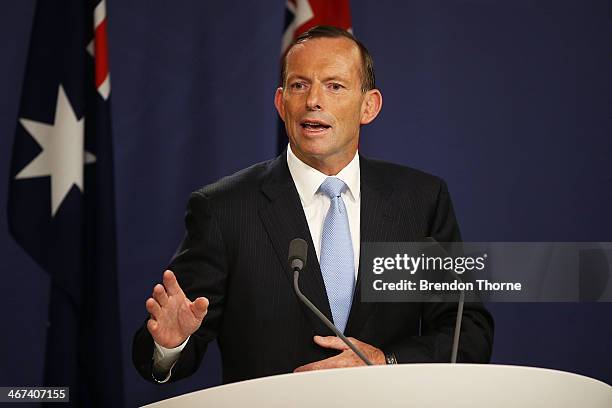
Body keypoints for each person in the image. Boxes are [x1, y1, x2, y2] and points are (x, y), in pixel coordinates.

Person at [132, 25, 494, 384]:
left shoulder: (420, 201)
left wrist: (388, 361)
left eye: (334, 86)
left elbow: (468, 331)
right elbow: (169, 344)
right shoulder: (224, 209)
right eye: (299, 85)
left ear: (369, 106)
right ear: (280, 102)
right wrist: (171, 344)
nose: (313, 101)